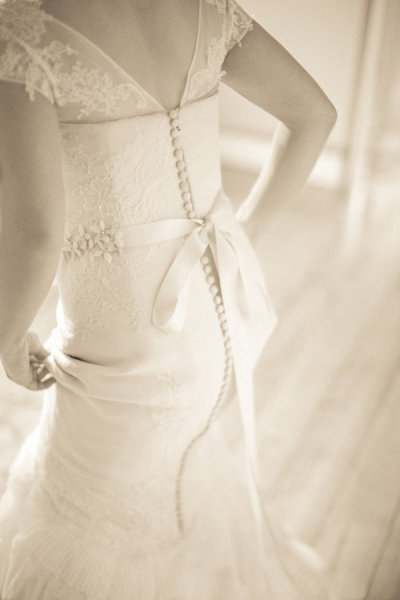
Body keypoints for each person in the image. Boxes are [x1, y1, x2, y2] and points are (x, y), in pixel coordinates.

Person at [0, 0, 338, 598]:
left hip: (121, 345)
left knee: (79, 513)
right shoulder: (205, 6)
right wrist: (242, 235)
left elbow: (36, 236)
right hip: (216, 317)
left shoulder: (21, 31)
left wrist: (6, 342)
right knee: (167, 483)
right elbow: (314, 114)